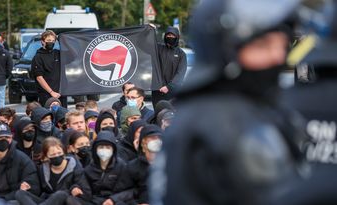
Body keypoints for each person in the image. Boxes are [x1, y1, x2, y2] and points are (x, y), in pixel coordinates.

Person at [152, 0, 312, 204]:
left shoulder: (249, 106)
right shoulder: (220, 122)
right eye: (262, 46)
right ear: (224, 49)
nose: (277, 56)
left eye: (282, 45)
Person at [15, 137, 91, 205]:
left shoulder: (75, 166)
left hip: (65, 200)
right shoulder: (42, 169)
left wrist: (74, 188)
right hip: (47, 201)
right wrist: (28, 187)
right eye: (53, 155)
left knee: (61, 194)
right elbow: (38, 190)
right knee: (20, 193)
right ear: (46, 157)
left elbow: (85, 190)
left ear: (64, 152)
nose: (57, 156)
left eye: (59, 153)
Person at [85, 131, 134, 205]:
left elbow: (130, 190)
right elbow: (83, 186)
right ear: (95, 149)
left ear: (113, 150)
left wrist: (113, 199)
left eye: (108, 147)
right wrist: (75, 187)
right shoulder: (89, 168)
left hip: (115, 201)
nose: (104, 150)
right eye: (101, 147)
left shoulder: (122, 166)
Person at [152, 26, 187, 107]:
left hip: (172, 92)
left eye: (172, 35)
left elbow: (180, 73)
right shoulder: (158, 48)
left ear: (177, 37)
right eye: (168, 35)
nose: (170, 37)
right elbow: (147, 43)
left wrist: (169, 87)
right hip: (157, 91)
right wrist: (150, 30)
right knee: (157, 114)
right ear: (165, 36)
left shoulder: (181, 54)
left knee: (170, 116)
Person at [128, 124, 163, 204]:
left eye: (159, 138)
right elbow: (125, 193)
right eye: (152, 138)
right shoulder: (133, 167)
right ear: (143, 142)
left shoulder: (168, 165)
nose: (156, 140)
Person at [32, 30, 67, 108]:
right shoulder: (38, 57)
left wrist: (61, 40)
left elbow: (74, 55)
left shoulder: (58, 54)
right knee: (49, 117)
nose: (51, 42)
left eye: (53, 40)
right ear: (43, 42)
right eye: (48, 40)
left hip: (61, 94)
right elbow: (39, 78)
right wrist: (51, 92)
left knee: (62, 118)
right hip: (47, 95)